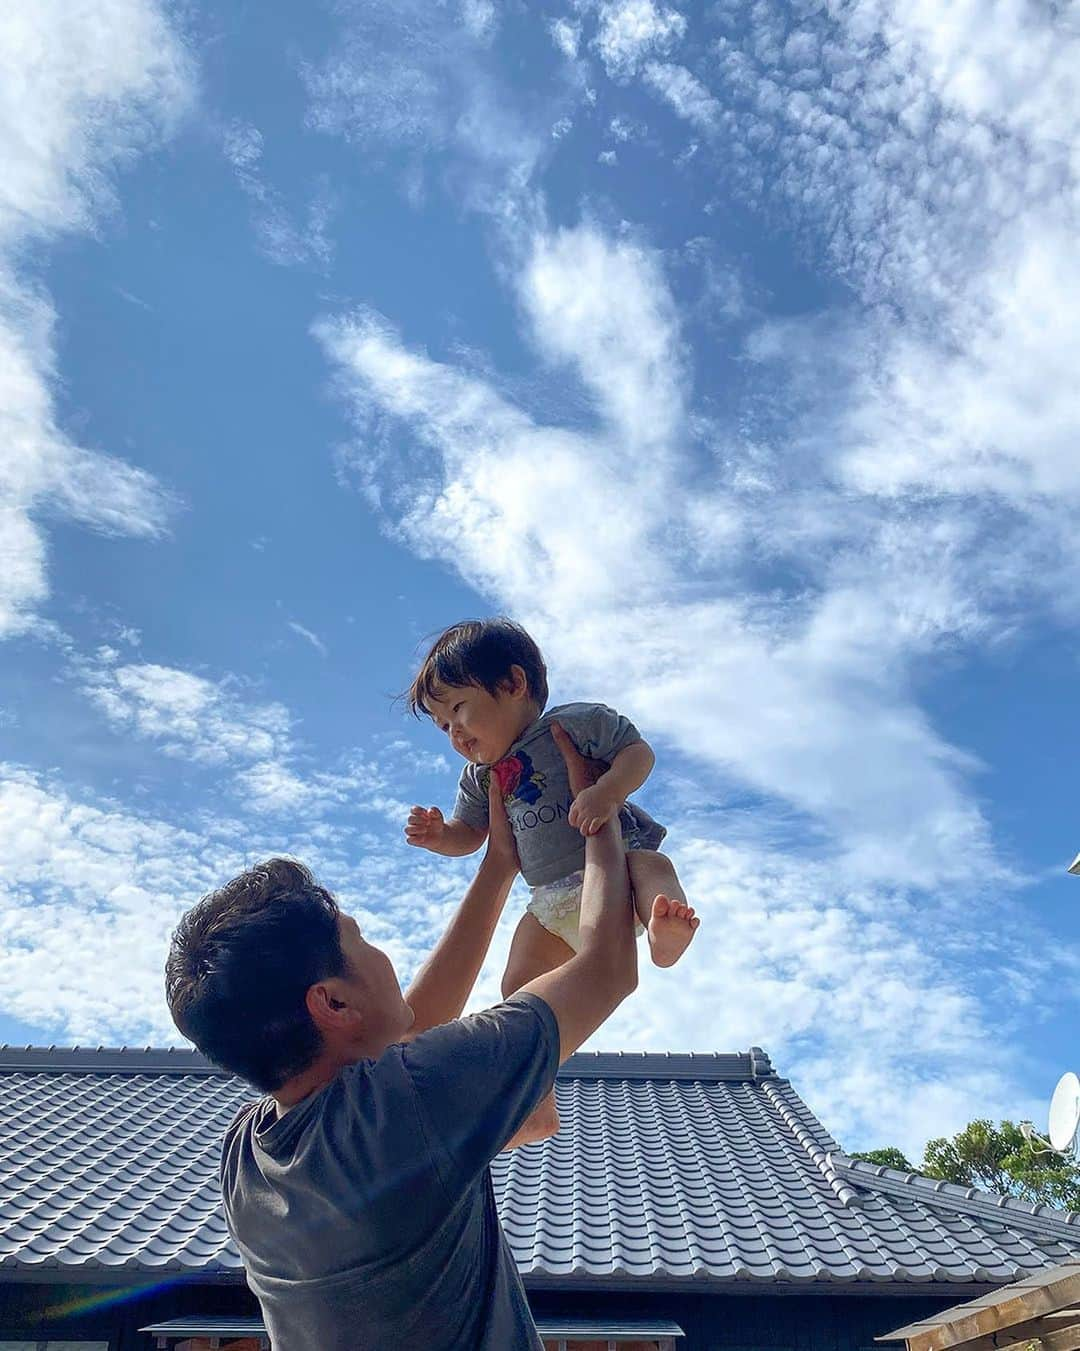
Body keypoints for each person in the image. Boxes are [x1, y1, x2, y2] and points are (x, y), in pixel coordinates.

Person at [165, 727, 638, 1351]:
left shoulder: (250, 1156)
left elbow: (408, 1031)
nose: (379, 952)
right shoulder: (408, 1102)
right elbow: (606, 967)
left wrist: (499, 867)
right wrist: (595, 813)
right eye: (359, 940)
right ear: (332, 1002)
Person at [404, 617, 699, 1138]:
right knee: (518, 989)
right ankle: (536, 1100)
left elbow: (638, 754)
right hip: (551, 900)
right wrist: (439, 835)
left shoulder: (573, 723)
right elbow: (472, 835)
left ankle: (664, 935)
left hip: (618, 874)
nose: (455, 733)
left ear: (514, 684)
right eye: (442, 726)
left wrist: (606, 793)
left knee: (653, 866)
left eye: (458, 709)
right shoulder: (480, 777)